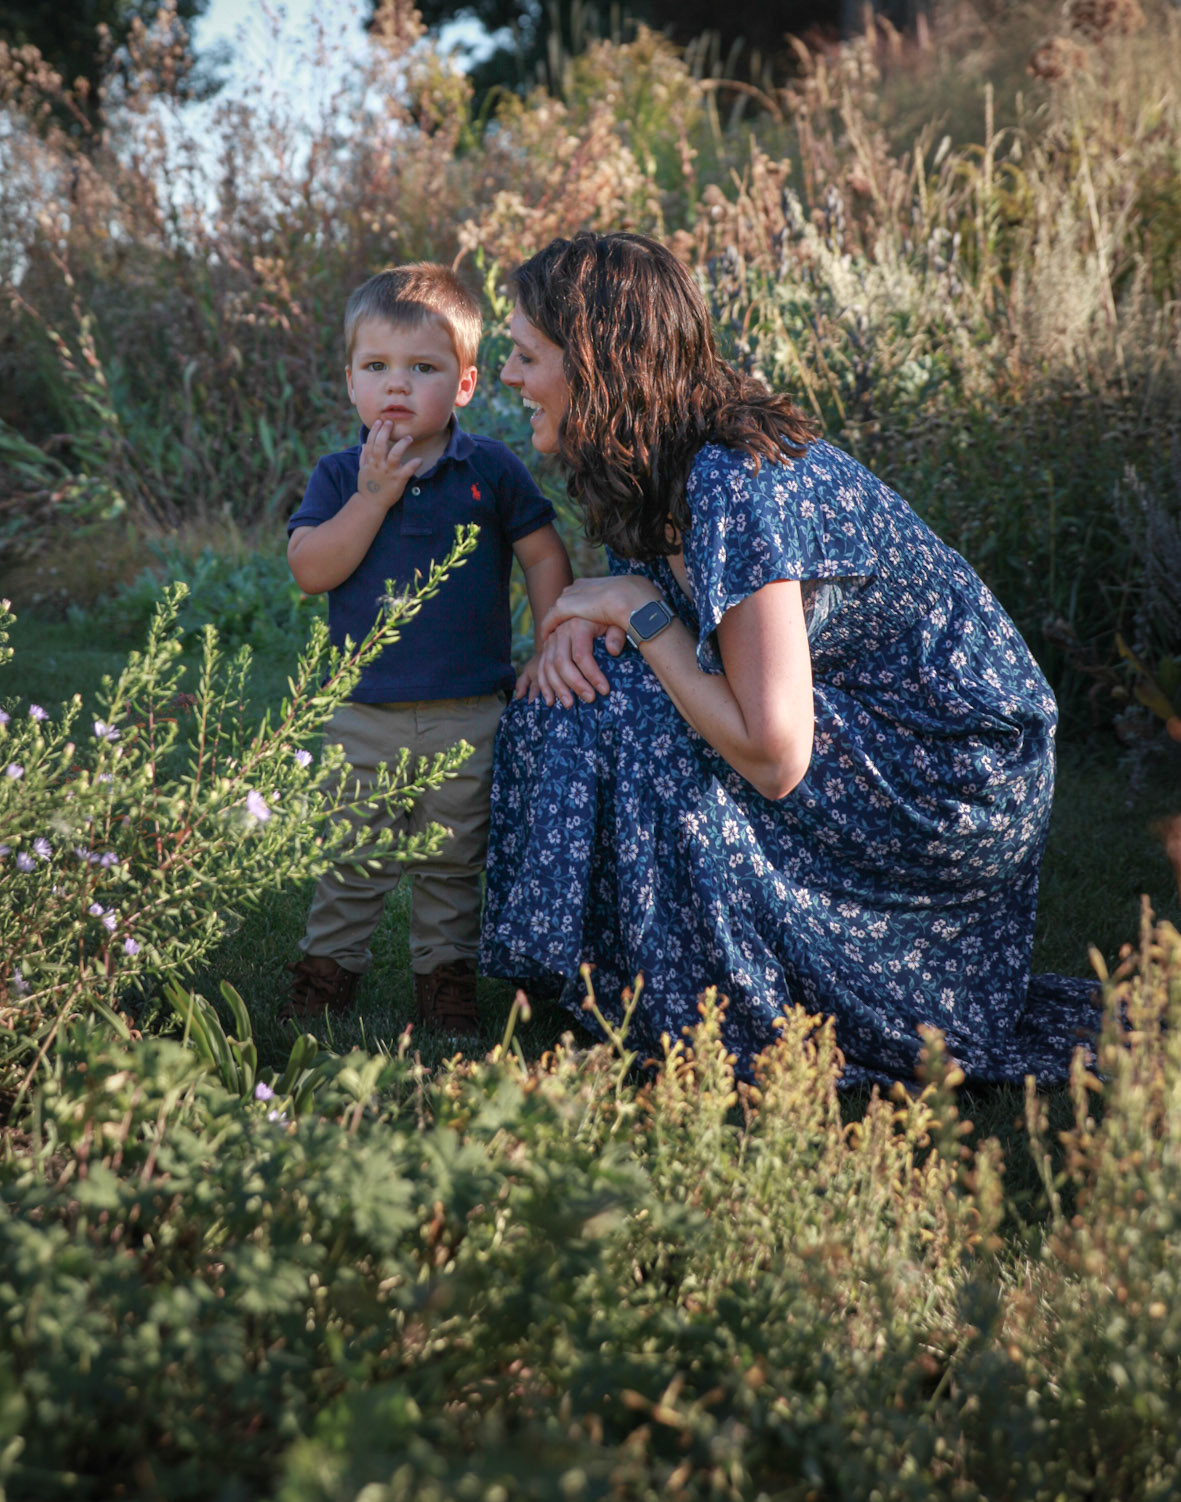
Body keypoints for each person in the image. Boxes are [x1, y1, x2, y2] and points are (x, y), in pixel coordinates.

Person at [481, 231, 1098, 1085]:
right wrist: (586, 624)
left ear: (598, 365)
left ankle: (714, 1008)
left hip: (952, 774)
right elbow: (661, 612)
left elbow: (775, 757)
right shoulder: (653, 458)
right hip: (865, 729)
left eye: (526, 355)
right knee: (581, 693)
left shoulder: (735, 479)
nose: (507, 375)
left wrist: (634, 613)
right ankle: (596, 985)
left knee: (647, 720)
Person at [285, 262, 572, 1034]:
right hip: (364, 713)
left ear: (466, 383)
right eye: (377, 366)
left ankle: (444, 985)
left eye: (422, 368)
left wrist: (548, 645)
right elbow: (311, 569)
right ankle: (326, 975)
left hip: (469, 710)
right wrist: (371, 498)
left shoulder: (490, 471)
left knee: (453, 858)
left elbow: (543, 554)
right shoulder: (340, 475)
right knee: (353, 855)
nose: (397, 385)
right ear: (350, 382)